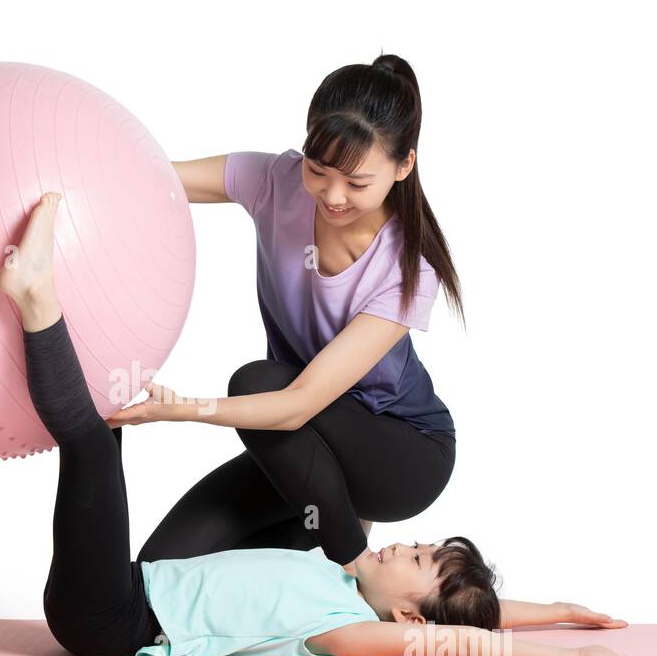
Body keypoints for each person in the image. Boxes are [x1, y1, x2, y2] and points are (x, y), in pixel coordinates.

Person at [0, 192, 657, 656]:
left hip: (112, 617)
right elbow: (470, 614)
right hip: (134, 583)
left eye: (415, 560)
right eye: (418, 544)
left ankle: (34, 296)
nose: (402, 544)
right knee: (109, 426)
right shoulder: (339, 579)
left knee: (89, 447)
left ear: (407, 619)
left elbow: (463, 641)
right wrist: (558, 608)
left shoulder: (341, 630)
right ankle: (59, 303)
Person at [115, 55, 459, 575]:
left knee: (258, 381)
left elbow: (296, 403)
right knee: (157, 569)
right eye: (318, 171)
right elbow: (151, 178)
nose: (333, 196)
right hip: (297, 446)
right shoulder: (276, 181)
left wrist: (180, 410)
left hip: (402, 453)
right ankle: (332, 536)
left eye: (357, 183)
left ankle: (359, 564)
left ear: (403, 166)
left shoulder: (406, 269)